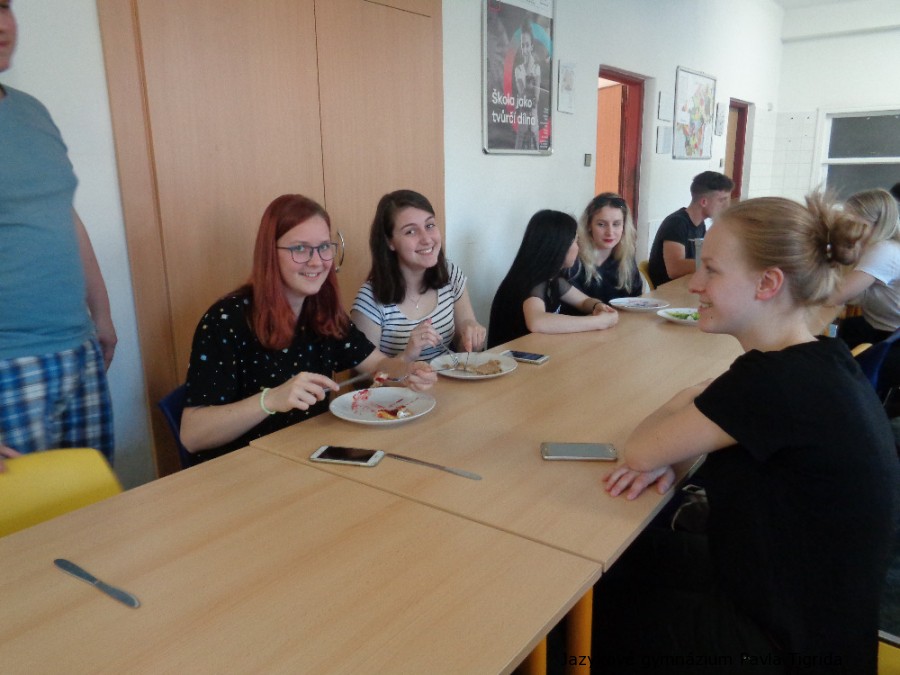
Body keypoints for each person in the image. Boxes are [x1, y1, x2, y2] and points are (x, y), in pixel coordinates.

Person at [595, 194, 899, 673]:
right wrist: (680, 438)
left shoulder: (771, 381)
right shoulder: (820, 358)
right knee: (626, 560)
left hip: (783, 642)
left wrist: (685, 404)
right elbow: (680, 440)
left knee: (591, 615)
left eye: (712, 270)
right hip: (808, 608)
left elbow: (639, 450)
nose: (694, 283)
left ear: (768, 283)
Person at [180, 194, 436, 460]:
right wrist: (270, 400)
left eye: (324, 247)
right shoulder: (225, 320)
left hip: (306, 455)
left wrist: (406, 369)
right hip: (242, 467)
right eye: (300, 249)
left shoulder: (322, 310)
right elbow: (192, 434)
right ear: (270, 253)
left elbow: (377, 365)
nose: (317, 261)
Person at [0, 0, 117, 471]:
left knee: (93, 503)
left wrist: (101, 315)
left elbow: (63, 215)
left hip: (78, 348)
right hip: (9, 365)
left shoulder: (32, 112)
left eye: (3, 6)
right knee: (24, 515)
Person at [351, 190, 485, 362]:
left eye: (429, 225)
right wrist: (408, 355)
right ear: (389, 242)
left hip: (446, 378)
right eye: (411, 232)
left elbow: (465, 351)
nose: (427, 239)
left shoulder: (450, 274)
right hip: (399, 381)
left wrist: (472, 337)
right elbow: (364, 374)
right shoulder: (369, 298)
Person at [487, 209, 618, 348]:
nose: (578, 247)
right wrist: (597, 322)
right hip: (511, 358)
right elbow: (537, 322)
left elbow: (583, 301)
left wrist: (597, 306)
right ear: (559, 246)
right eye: (575, 241)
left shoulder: (553, 278)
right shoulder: (532, 281)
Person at [829, 188, 900, 348]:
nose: (847, 229)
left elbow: (835, 296)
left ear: (876, 225)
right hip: (879, 326)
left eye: (853, 223)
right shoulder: (874, 247)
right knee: (849, 328)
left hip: (892, 336)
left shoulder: (884, 251)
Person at [647, 171, 734, 288]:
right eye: (722, 200)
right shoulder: (676, 223)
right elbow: (675, 269)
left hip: (687, 286)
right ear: (704, 202)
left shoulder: (701, 224)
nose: (726, 206)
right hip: (670, 292)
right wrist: (716, 264)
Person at [564, 192, 642, 308]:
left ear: (624, 227)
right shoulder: (573, 257)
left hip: (619, 318)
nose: (610, 232)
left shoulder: (625, 256)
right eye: (601, 224)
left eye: (616, 224)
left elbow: (636, 298)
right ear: (589, 225)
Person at [513, 21, 540, 150]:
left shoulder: (537, 68)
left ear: (532, 47)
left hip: (533, 120)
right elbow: (522, 92)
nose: (525, 49)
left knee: (536, 150)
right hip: (523, 121)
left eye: (527, 45)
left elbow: (536, 98)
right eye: (522, 45)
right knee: (518, 148)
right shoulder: (518, 70)